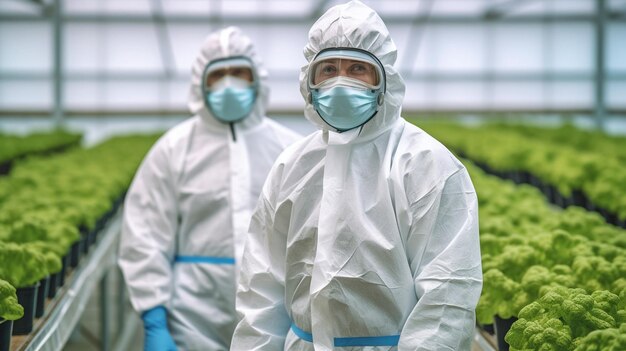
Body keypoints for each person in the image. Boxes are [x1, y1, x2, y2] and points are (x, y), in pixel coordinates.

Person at [230, 1, 483, 350]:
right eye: (329, 68)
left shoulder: (425, 164)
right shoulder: (292, 166)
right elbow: (261, 287)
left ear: (384, 82)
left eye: (357, 69)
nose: (341, 82)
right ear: (310, 82)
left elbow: (446, 294)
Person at [118, 26, 301, 351]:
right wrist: (154, 318)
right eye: (220, 75)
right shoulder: (174, 148)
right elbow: (145, 235)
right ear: (201, 83)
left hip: (275, 311)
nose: (230, 84)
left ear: (258, 79)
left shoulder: (290, 150)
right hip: (192, 314)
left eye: (239, 73)